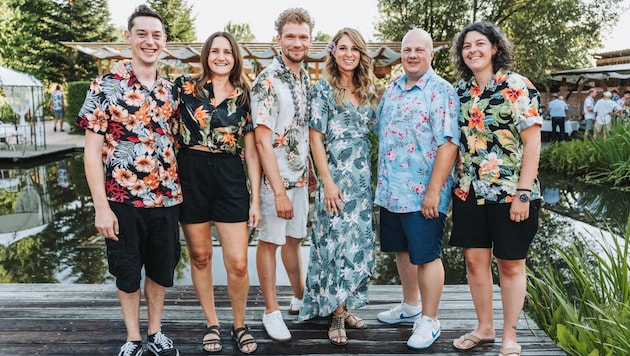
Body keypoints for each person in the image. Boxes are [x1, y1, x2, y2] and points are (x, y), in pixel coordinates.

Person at [76, 5, 181, 356]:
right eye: (142, 34)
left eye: (156, 35)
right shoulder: (105, 86)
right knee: (126, 272)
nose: (149, 41)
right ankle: (133, 337)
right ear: (128, 37)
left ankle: (155, 333)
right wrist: (101, 209)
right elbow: (91, 153)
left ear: (164, 41)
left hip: (166, 199)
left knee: (160, 270)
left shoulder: (172, 91)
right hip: (122, 201)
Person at [449, 22, 542, 356]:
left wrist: (523, 193)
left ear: (494, 48)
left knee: (511, 264)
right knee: (474, 262)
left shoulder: (517, 86)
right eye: (466, 46)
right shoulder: (459, 92)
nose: (473, 50)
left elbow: (532, 144)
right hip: (468, 192)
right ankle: (484, 328)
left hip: (509, 193)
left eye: (480, 44)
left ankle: (509, 336)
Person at [374, 28, 460, 351]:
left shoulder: (440, 91)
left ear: (431, 54)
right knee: (403, 251)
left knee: (427, 256)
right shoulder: (393, 88)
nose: (411, 55)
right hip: (391, 191)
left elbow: (449, 144)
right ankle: (410, 305)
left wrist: (434, 191)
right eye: (407, 49)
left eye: (419, 50)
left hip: (424, 192)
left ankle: (430, 319)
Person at [298, 27, 378, 346]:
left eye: (354, 49)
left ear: (361, 54)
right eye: (342, 48)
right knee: (335, 246)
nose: (348, 54)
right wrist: (327, 182)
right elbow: (315, 136)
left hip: (361, 183)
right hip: (336, 180)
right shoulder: (323, 89)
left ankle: (346, 308)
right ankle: (335, 313)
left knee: (357, 246)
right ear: (333, 52)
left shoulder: (367, 90)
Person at [250, 7, 314, 343]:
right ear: (279, 39)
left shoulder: (303, 77)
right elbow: (262, 138)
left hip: (300, 180)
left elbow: (298, 129)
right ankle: (270, 311)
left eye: (303, 36)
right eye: (290, 36)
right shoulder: (268, 80)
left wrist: (310, 171)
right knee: (270, 242)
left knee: (294, 239)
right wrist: (276, 191)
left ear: (311, 41)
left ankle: (300, 296)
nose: (297, 42)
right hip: (275, 182)